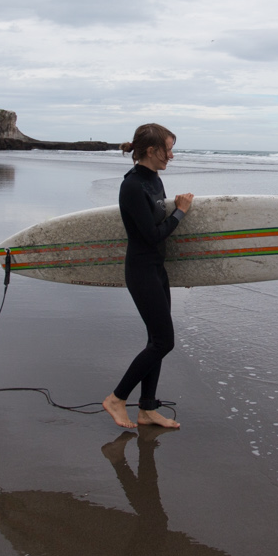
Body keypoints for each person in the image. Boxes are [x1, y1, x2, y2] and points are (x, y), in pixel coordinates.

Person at [102, 123, 192, 430]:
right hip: (141, 271)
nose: (171, 156)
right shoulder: (132, 186)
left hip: (157, 269)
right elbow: (152, 235)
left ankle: (147, 409)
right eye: (168, 149)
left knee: (156, 339)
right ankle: (117, 398)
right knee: (164, 342)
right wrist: (180, 212)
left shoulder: (154, 180)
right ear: (152, 150)